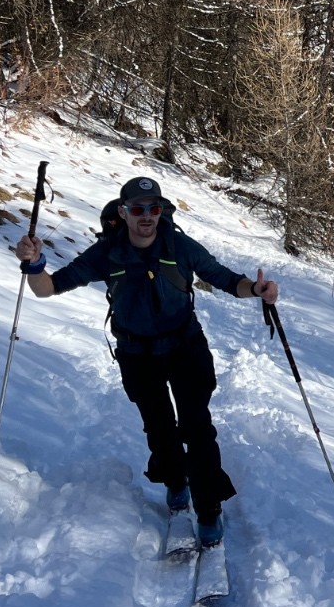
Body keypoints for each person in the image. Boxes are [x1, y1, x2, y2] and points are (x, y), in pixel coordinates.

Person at [15, 176, 278, 547]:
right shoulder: (107, 253)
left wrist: (257, 289)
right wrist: (34, 263)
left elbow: (223, 279)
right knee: (159, 428)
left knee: (197, 427)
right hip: (137, 355)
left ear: (161, 211)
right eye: (137, 209)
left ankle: (209, 511)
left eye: (153, 209)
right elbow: (48, 288)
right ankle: (175, 481)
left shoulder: (179, 245)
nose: (146, 217)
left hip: (185, 348)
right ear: (123, 212)